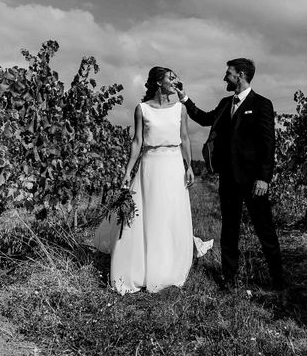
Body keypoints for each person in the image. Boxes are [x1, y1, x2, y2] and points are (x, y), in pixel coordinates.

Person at [176, 58, 285, 291]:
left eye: (229, 73)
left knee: (264, 229)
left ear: (241, 75)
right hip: (228, 179)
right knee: (229, 230)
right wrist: (185, 98)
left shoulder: (262, 104)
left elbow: (269, 144)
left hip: (254, 181)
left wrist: (264, 178)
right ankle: (229, 279)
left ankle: (279, 280)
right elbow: (205, 118)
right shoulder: (226, 103)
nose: (225, 77)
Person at [93, 66, 196, 294]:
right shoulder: (142, 109)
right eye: (171, 78)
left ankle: (168, 265)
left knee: (169, 214)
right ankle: (139, 268)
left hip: (172, 164)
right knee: (145, 215)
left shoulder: (180, 109)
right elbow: (137, 142)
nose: (176, 82)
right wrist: (128, 171)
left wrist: (188, 166)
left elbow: (185, 139)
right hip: (150, 164)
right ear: (159, 82)